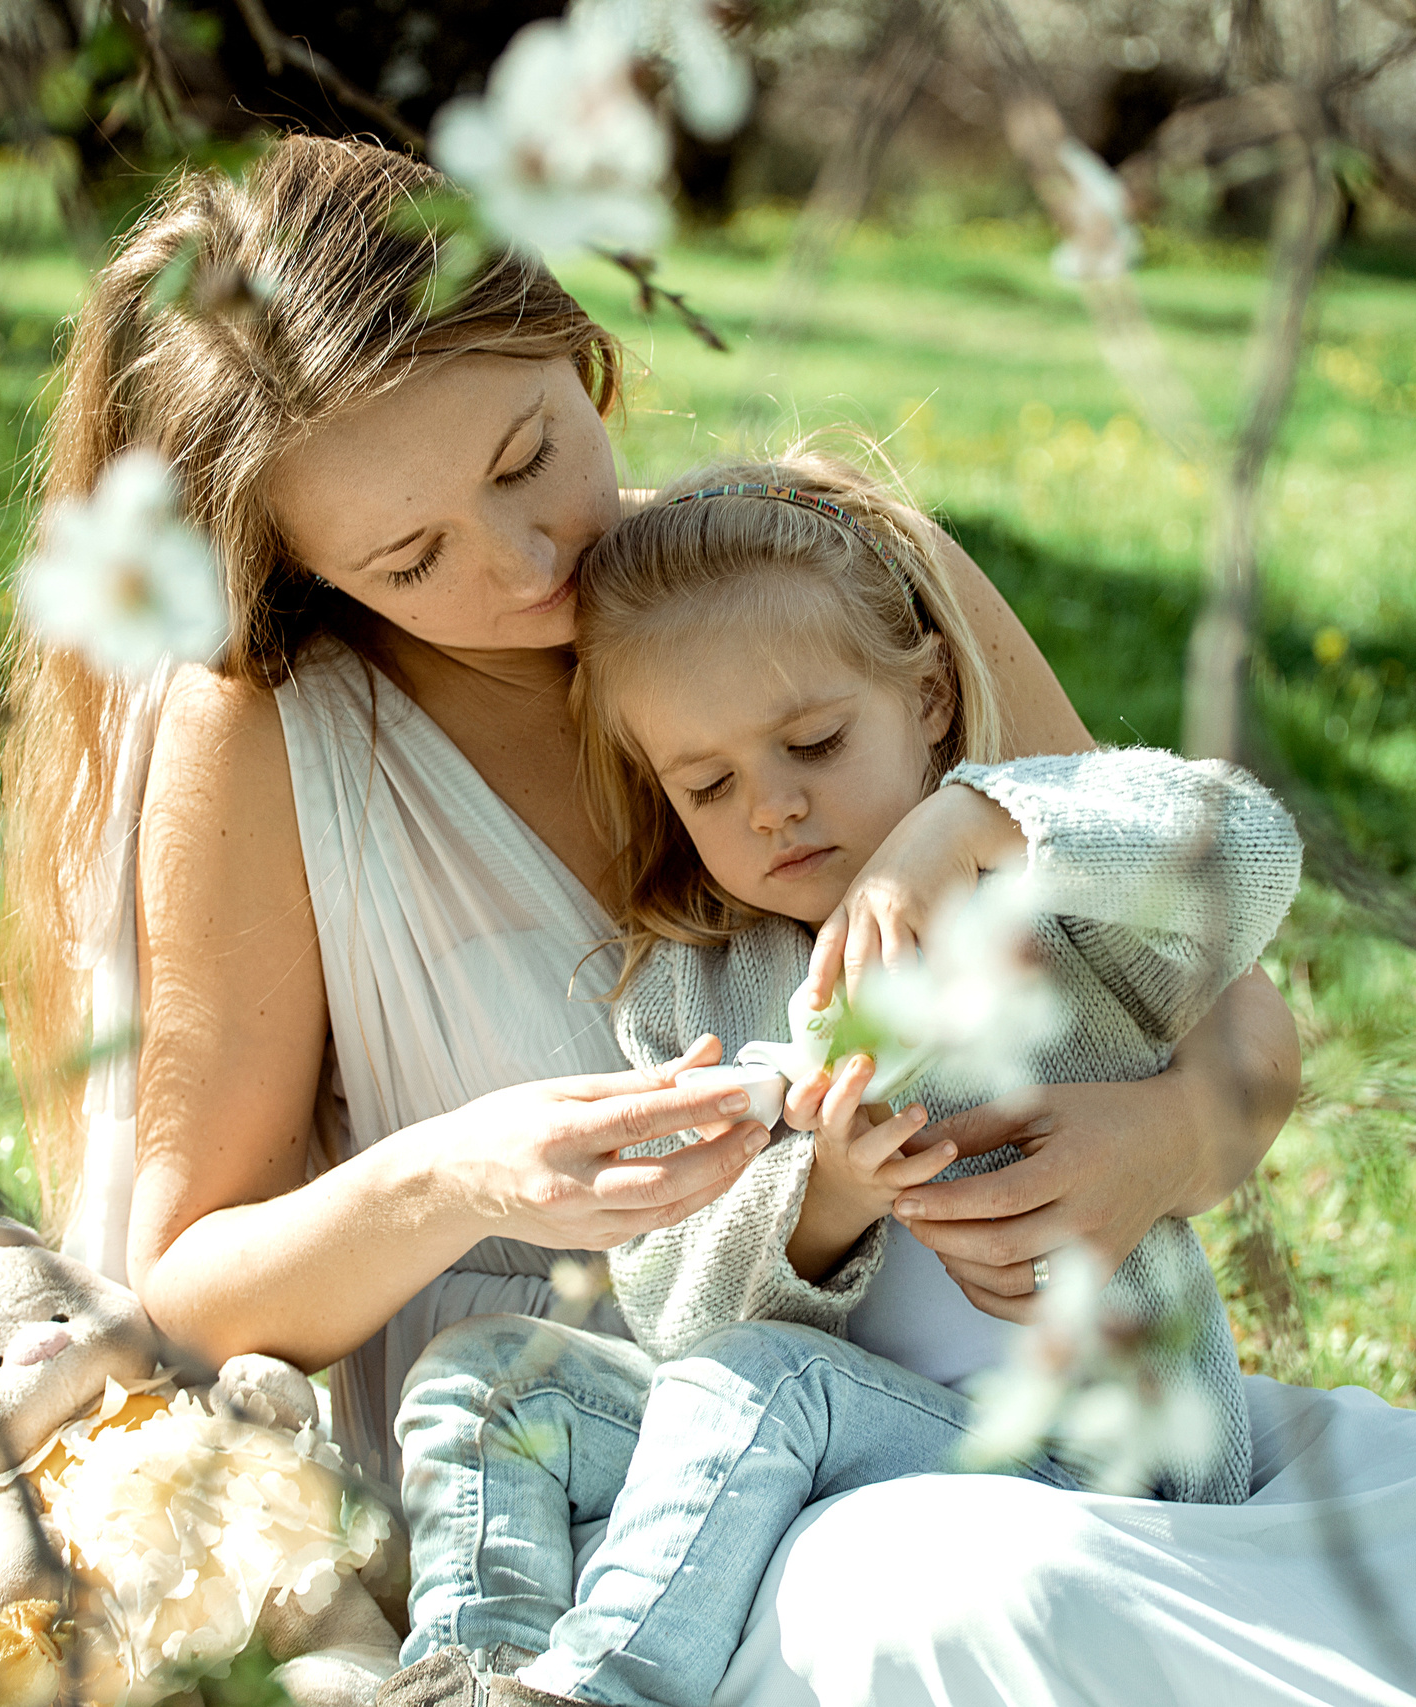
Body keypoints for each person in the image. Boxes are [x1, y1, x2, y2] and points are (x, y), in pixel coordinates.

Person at [9, 136, 1416, 1704]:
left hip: (954, 1404)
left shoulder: (825, 586)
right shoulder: (270, 736)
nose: (518, 560)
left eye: (526, 451)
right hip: (566, 1473)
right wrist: (461, 1177)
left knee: (1108, 1590)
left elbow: (1229, 1001)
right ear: (306, 571)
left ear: (577, 343)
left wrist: (1168, 1132)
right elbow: (176, 1291)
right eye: (407, 559)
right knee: (953, 1598)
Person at [384, 449, 1303, 1707]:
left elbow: (1246, 845)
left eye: (814, 741)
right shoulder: (687, 989)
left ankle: (599, 1692)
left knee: (772, 1387)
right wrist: (818, 1206)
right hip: (830, 1430)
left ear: (926, 697)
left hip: (1086, 1459)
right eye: (707, 784)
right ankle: (466, 1670)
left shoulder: (1056, 910)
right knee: (488, 1377)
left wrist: (967, 822)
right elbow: (676, 1320)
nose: (773, 808)